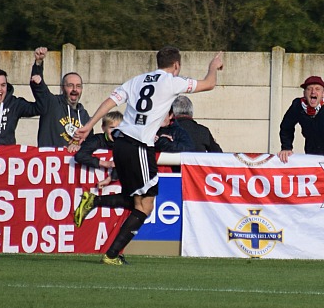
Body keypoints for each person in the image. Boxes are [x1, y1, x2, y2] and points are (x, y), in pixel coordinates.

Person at [72, 46, 224, 266]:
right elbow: (209, 83)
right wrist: (213, 67)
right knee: (146, 205)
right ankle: (111, 253)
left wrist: (88, 125)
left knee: (137, 200)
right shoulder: (172, 81)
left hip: (121, 143)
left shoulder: (137, 80)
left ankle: (96, 205)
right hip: (139, 146)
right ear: (176, 65)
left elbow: (110, 102)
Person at [30, 47, 91, 148]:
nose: (75, 89)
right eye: (70, 85)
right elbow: (38, 86)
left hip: (73, 163)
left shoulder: (84, 115)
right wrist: (38, 63)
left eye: (78, 86)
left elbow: (90, 143)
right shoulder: (51, 103)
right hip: (50, 161)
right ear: (62, 88)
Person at [74, 111, 133, 210]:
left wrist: (109, 179)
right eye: (112, 128)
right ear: (103, 128)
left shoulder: (126, 142)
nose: (116, 132)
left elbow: (124, 160)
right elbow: (79, 155)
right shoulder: (97, 140)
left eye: (119, 128)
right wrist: (104, 163)